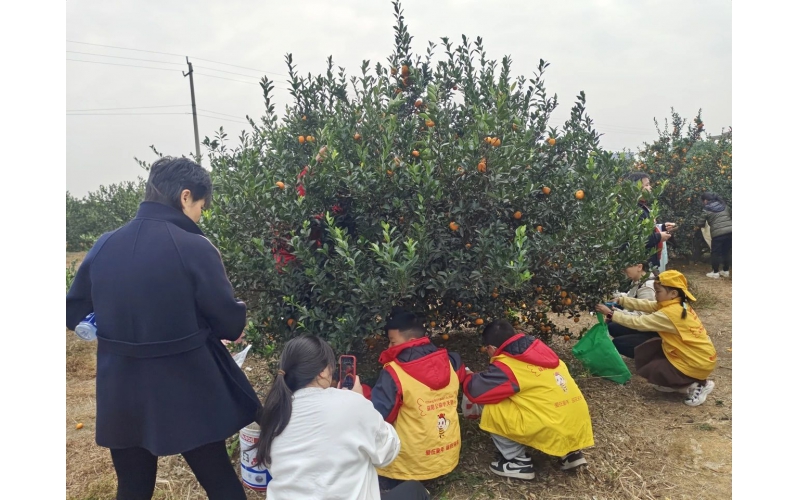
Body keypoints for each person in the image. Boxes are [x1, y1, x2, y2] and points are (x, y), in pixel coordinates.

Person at [66, 157, 261, 500]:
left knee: (133, 487)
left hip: (122, 391)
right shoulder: (194, 247)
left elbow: (73, 313)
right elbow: (229, 323)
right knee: (220, 483)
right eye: (201, 205)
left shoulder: (104, 244)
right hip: (187, 387)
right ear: (186, 197)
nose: (199, 215)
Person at [253, 335, 429, 500]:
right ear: (322, 372)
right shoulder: (352, 403)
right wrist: (358, 400)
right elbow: (388, 452)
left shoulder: (274, 413)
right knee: (415, 491)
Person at [462, 320, 594, 480]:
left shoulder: (509, 365)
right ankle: (571, 453)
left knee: (491, 406)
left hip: (552, 424)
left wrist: (466, 375)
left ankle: (517, 461)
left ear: (491, 348)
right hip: (576, 421)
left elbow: (476, 391)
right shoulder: (542, 353)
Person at [369, 309, 467, 490]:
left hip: (410, 462)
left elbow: (380, 415)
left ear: (411, 341)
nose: (389, 348)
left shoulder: (394, 372)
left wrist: (362, 397)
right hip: (446, 453)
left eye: (393, 342)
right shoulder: (450, 362)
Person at [595, 270, 717, 406]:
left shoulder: (670, 314)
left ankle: (695, 386)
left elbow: (639, 322)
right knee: (650, 352)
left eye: (658, 292)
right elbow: (648, 305)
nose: (656, 295)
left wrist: (611, 314)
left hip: (696, 361)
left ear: (673, 293)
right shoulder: (678, 304)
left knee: (654, 369)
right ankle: (677, 382)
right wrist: (621, 300)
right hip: (697, 356)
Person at [624, 171, 676, 272]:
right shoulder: (633, 210)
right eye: (647, 185)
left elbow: (647, 230)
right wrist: (659, 236)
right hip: (642, 263)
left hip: (649, 260)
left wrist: (663, 227)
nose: (650, 187)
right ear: (636, 188)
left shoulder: (642, 207)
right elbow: (637, 239)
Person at [607, 261, 659, 358]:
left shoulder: (648, 287)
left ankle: (653, 356)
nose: (624, 271)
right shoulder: (638, 281)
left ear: (639, 267)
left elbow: (640, 319)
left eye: (626, 267)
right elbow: (631, 298)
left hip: (651, 330)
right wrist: (616, 298)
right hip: (644, 324)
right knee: (612, 324)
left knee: (619, 341)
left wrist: (612, 314)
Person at [696, 192, 732, 278]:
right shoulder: (724, 206)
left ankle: (715, 272)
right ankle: (726, 271)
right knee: (726, 251)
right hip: (730, 231)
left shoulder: (707, 209)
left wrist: (700, 226)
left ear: (705, 200)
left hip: (718, 234)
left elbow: (700, 222)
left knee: (715, 252)